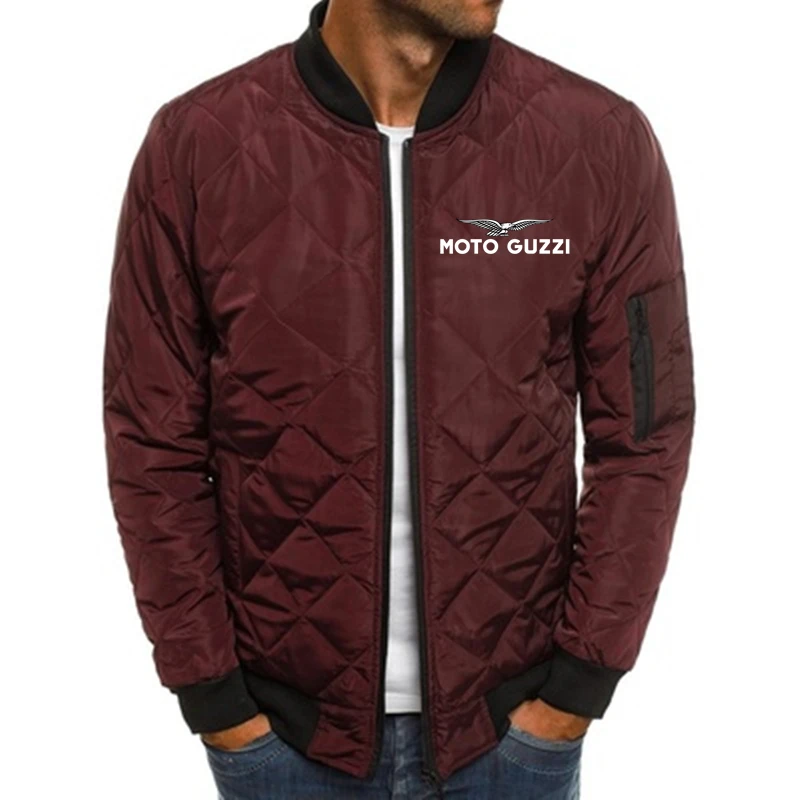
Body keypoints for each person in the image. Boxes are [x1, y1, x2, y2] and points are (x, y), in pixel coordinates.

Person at [101, 0, 695, 797]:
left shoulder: (598, 140)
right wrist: (214, 698)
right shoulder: (198, 145)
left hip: (509, 737)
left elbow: (646, 433)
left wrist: (577, 687)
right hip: (284, 741)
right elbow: (151, 443)